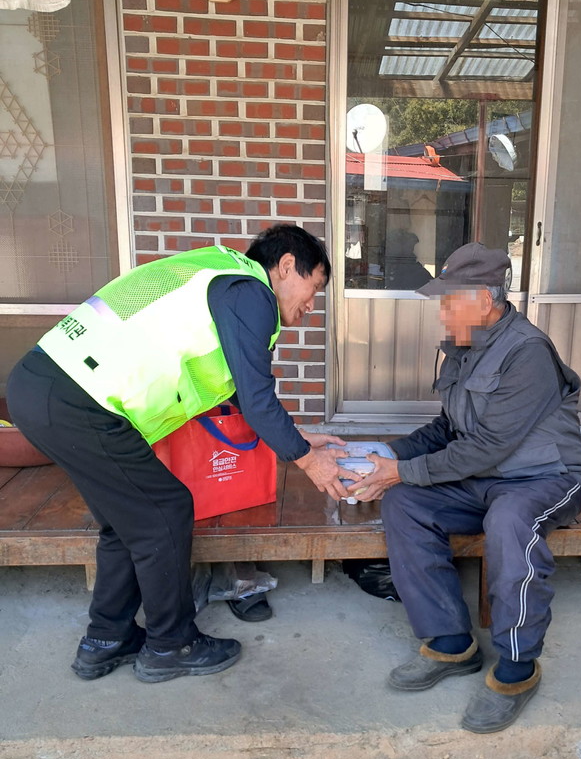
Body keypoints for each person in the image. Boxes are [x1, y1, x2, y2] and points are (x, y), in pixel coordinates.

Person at [6, 224, 351, 683]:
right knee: (165, 511)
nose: (311, 305)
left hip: (45, 386)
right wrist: (308, 460)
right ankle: (171, 644)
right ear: (287, 266)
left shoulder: (220, 276)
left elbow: (241, 396)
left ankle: (106, 639)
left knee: (127, 522)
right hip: (79, 398)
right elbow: (257, 397)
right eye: (315, 288)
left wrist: (299, 437)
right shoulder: (250, 292)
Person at [346, 242, 581, 734]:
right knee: (406, 503)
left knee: (509, 520)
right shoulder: (463, 349)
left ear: (482, 300)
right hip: (484, 480)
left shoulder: (527, 353)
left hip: (545, 478)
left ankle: (517, 668)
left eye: (448, 301)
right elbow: (448, 429)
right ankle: (451, 643)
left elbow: (489, 447)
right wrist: (386, 456)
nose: (441, 312)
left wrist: (402, 470)